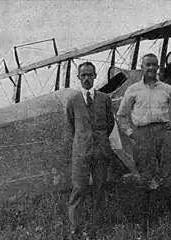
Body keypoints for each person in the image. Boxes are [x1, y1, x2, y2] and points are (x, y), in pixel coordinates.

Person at [116, 53, 171, 189]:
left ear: (158, 67)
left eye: (154, 65)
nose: (151, 68)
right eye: (147, 65)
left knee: (167, 173)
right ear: (142, 67)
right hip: (143, 134)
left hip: (164, 132)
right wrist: (130, 133)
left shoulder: (167, 89)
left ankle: (168, 204)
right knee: (146, 174)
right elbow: (121, 115)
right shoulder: (132, 90)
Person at [63, 61, 116, 239]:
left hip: (100, 151)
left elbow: (109, 123)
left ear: (95, 77)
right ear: (78, 78)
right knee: (78, 189)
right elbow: (71, 127)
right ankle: (75, 228)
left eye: (90, 74)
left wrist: (100, 141)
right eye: (83, 75)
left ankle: (97, 227)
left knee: (100, 189)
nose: (86, 78)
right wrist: (82, 141)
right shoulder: (72, 102)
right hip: (81, 153)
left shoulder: (104, 99)